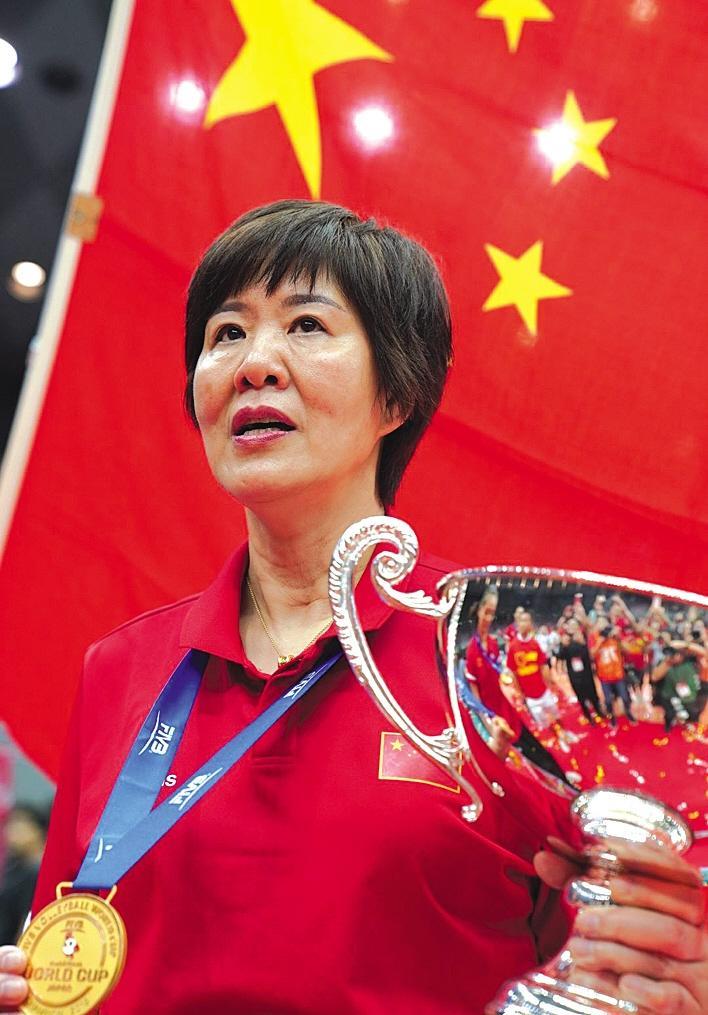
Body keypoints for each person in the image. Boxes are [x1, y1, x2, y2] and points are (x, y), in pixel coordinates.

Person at [0, 201, 705, 1014]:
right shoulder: (121, 669)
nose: (254, 363)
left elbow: (617, 965)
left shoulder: (503, 665)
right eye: (226, 333)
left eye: (306, 325)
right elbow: (62, 956)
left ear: (396, 395)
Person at [0, 805, 49, 945]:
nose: (11, 831)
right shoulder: (15, 866)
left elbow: (28, 917)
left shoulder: (37, 871)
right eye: (9, 824)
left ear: (37, 830)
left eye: (19, 823)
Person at [506, 610, 558, 728]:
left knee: (556, 714)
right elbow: (513, 673)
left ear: (530, 624)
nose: (524, 624)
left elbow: (543, 666)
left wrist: (549, 685)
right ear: (517, 623)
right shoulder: (513, 647)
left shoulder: (535, 643)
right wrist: (520, 693)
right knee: (543, 724)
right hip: (530, 697)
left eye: (527, 621)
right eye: (522, 621)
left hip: (543, 691)